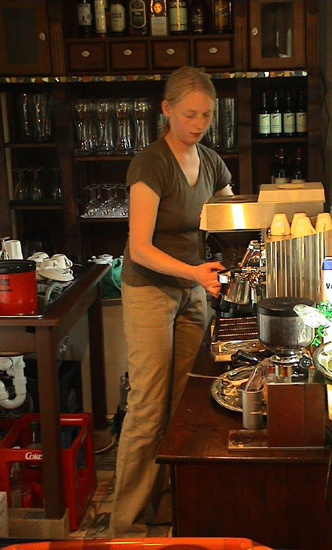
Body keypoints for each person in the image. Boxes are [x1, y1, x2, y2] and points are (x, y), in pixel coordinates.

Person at [109, 66, 233, 538]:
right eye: (189, 115)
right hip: (150, 289)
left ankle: (164, 510)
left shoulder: (212, 162)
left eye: (206, 115)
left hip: (191, 289)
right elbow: (139, 248)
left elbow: (230, 221)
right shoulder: (151, 164)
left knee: (182, 404)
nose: (198, 124)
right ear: (166, 110)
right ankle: (124, 526)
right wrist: (196, 274)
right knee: (148, 405)